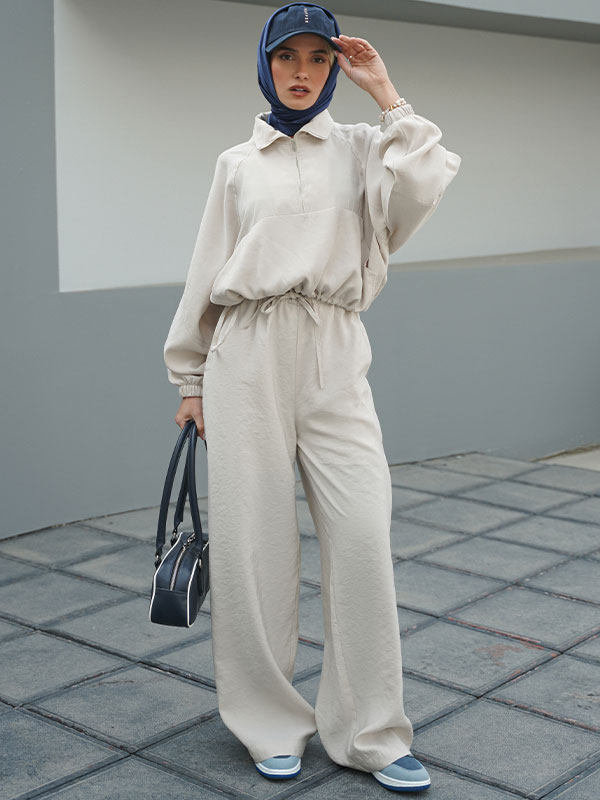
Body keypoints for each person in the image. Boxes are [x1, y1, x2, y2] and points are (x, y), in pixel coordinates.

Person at [164, 1, 461, 792]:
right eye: (287, 56)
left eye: (318, 58)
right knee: (253, 545)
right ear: (265, 63)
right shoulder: (237, 163)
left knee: (361, 532)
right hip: (246, 353)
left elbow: (425, 181)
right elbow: (207, 268)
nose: (302, 72)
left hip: (332, 347)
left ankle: (371, 732)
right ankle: (267, 722)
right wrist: (190, 378)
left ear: (334, 68)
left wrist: (386, 92)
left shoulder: (365, 149)